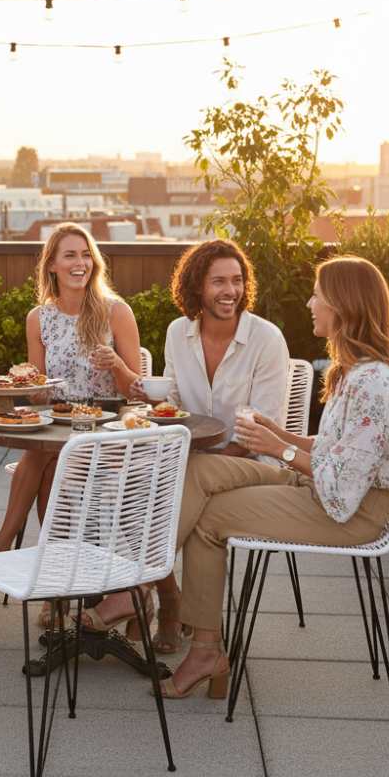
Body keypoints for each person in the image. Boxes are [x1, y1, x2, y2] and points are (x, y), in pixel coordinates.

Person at [158, 255, 389, 698]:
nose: (311, 303)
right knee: (199, 472)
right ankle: (170, 607)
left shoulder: (373, 383)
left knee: (207, 517)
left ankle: (164, 607)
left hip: (349, 514)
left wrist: (277, 448)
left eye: (318, 295)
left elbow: (341, 491)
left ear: (343, 305)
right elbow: (339, 449)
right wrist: (278, 434)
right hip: (320, 490)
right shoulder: (356, 372)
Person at [88, 239, 289, 649]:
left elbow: (263, 429)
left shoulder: (267, 340)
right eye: (218, 282)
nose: (229, 291)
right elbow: (174, 406)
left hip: (254, 461)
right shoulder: (179, 333)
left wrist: (197, 459)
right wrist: (151, 404)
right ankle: (166, 594)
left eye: (236, 281)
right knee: (125, 478)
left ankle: (137, 588)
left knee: (181, 483)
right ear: (197, 286)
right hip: (189, 457)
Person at [0, 223, 143, 625]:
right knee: (47, 460)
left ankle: (13, 553)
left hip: (104, 423)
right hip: (58, 421)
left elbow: (138, 392)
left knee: (44, 461)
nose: (80, 263)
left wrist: (118, 364)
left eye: (86, 254)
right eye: (70, 255)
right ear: (52, 265)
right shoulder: (39, 318)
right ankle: (59, 585)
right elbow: (40, 389)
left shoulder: (115, 311)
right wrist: (25, 386)